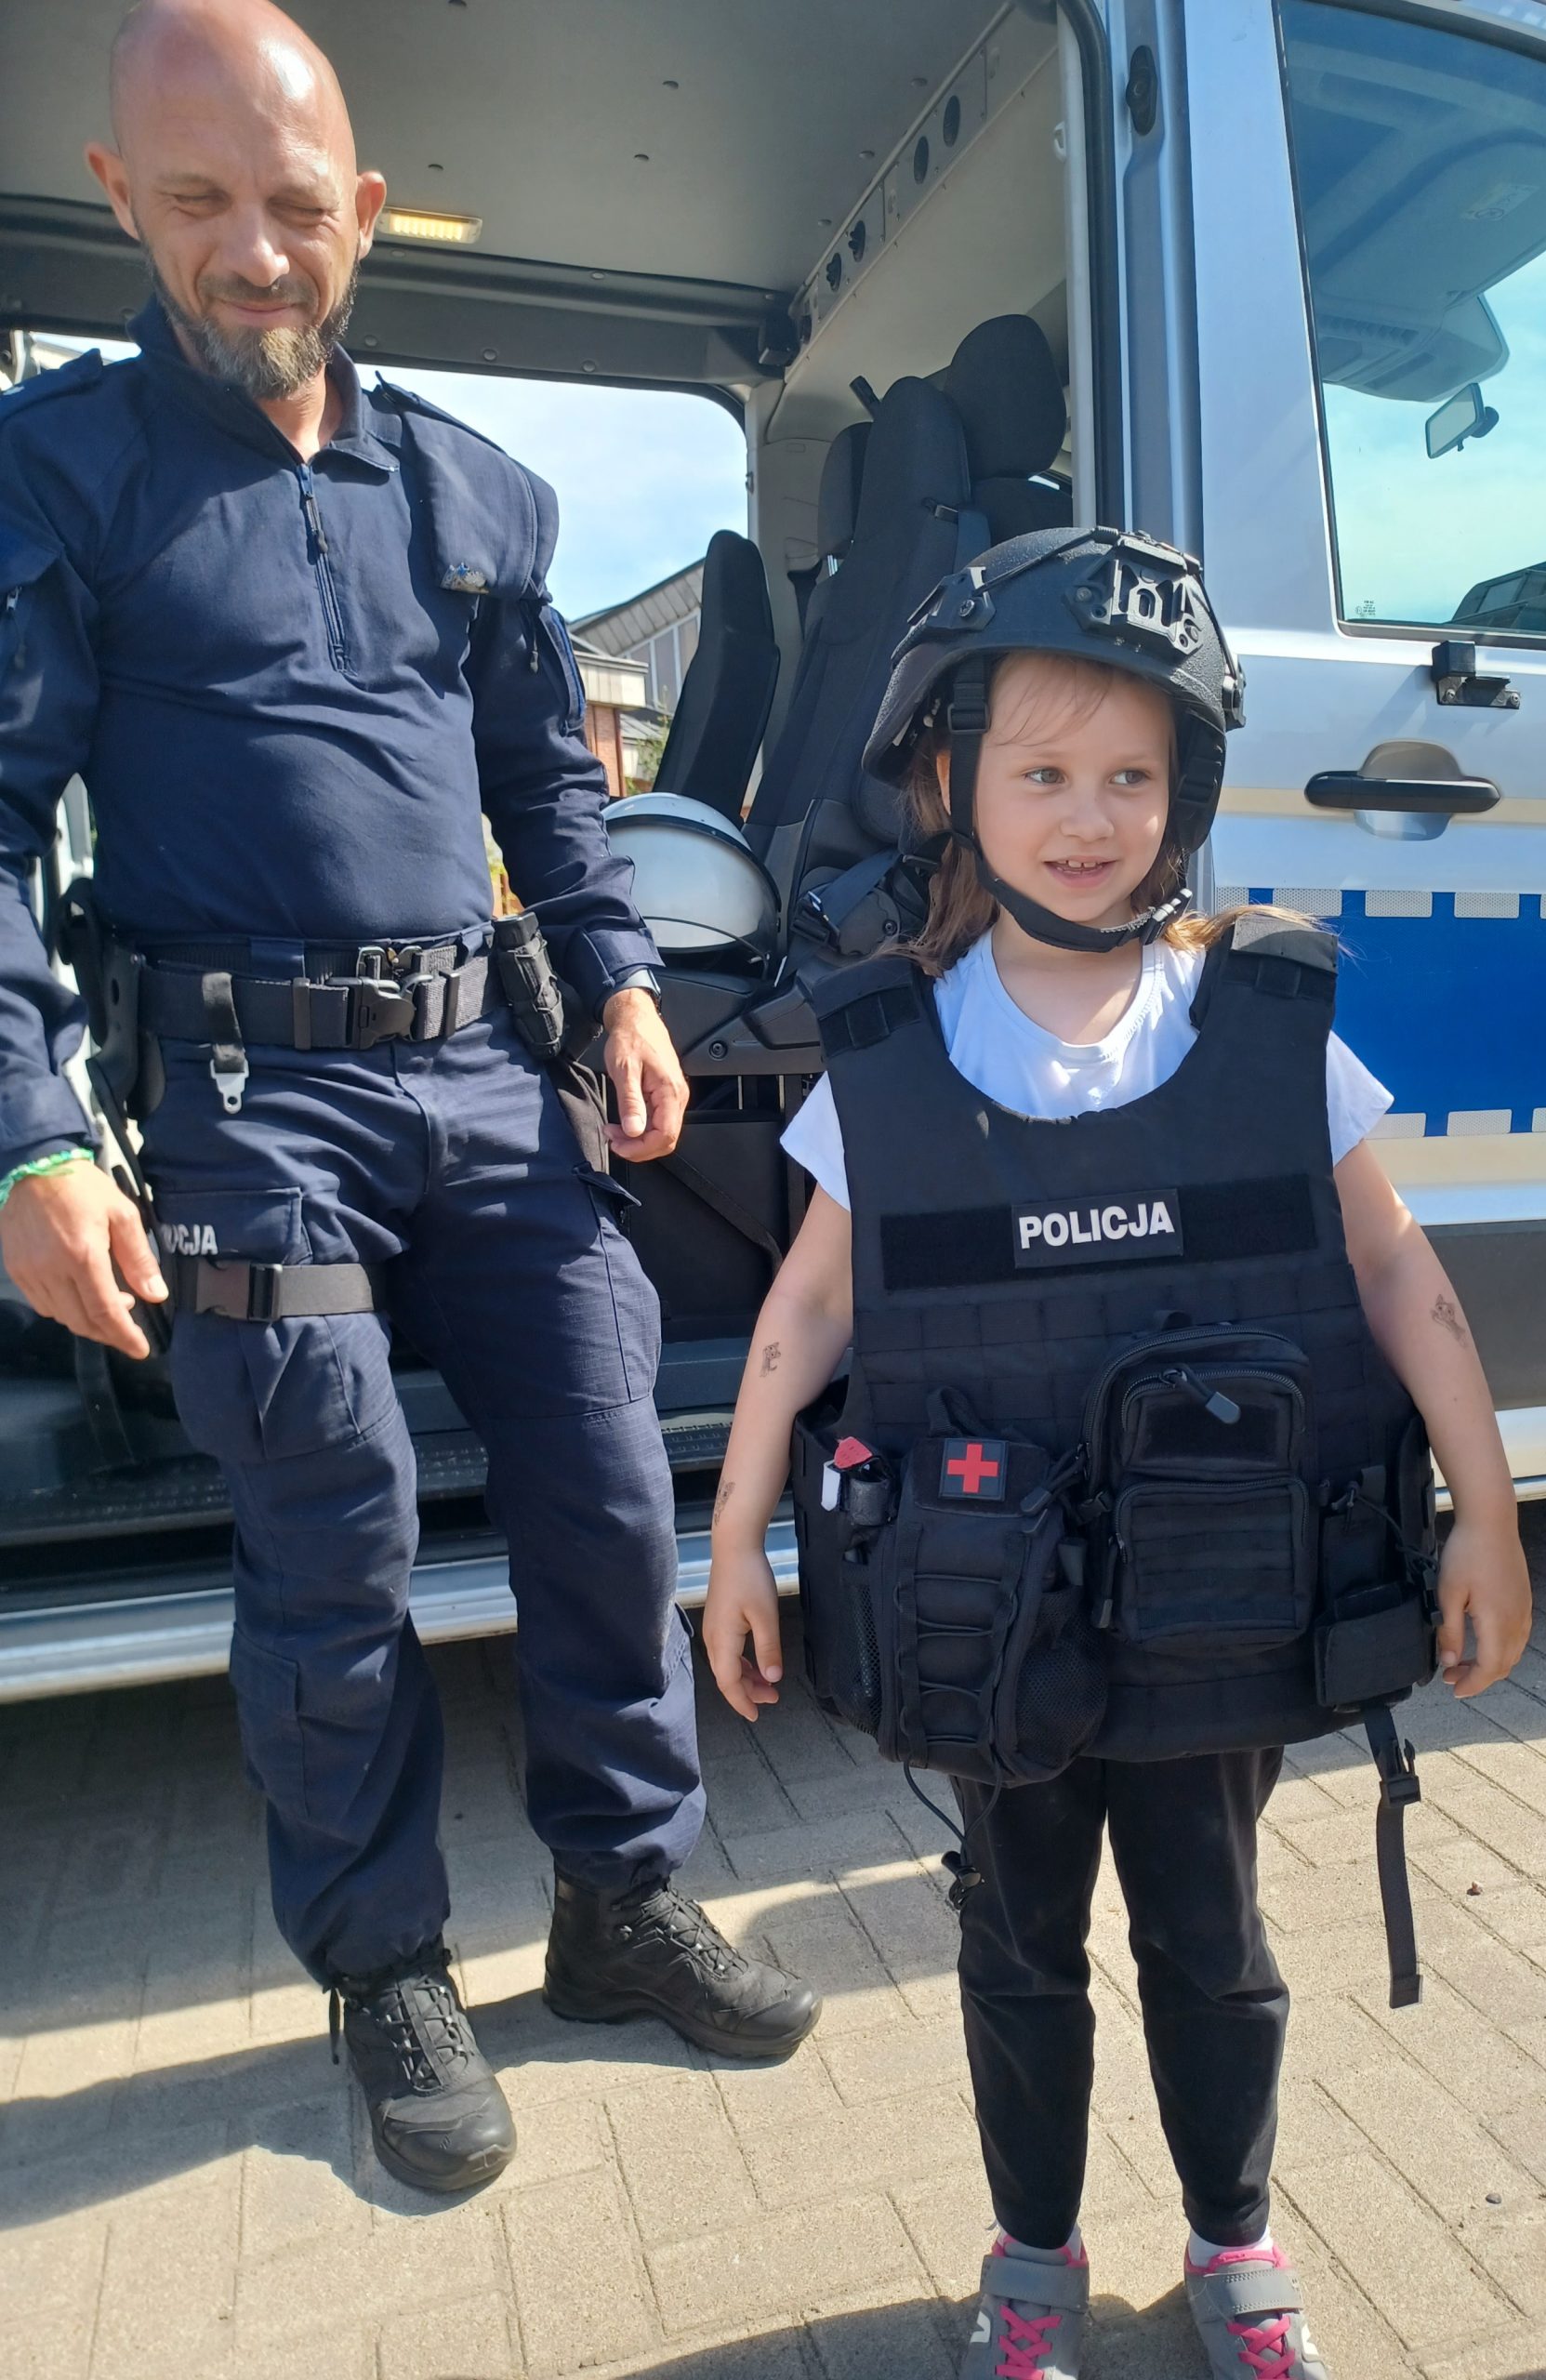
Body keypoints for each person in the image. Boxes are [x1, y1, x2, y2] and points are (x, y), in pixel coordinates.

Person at [0, 0, 816, 2196]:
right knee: (333, 1514)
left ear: (362, 210)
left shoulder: (469, 491)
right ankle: (383, 1969)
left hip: (482, 1067)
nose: (253, 251)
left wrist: (618, 985)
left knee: (607, 1471)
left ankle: (623, 1901)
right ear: (123, 201)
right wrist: (33, 1131)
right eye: (200, 201)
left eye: (293, 203)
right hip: (248, 1094)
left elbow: (554, 786)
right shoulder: (60, 475)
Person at [702, 526, 1531, 2379]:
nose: (1089, 817)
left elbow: (1396, 1268)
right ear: (953, 786)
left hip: (1218, 1613)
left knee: (1213, 1940)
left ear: (1188, 794)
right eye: (1043, 773)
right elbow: (808, 1312)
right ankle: (1034, 2250)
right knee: (1017, 1946)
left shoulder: (1270, 1028)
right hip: (983, 1626)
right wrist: (740, 1532)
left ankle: (1235, 2239)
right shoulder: (888, 1054)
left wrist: (1490, 1509)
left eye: (1132, 777)